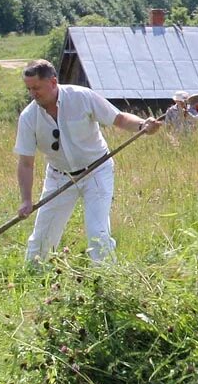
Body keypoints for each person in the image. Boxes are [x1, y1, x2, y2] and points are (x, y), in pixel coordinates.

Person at [14, 59, 162, 264]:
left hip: (96, 171)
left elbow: (118, 118)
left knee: (97, 232)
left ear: (53, 82)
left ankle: (106, 282)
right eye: (29, 89)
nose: (33, 94)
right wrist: (26, 200)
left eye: (37, 88)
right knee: (42, 238)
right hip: (59, 177)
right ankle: (32, 279)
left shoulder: (81, 97)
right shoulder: (29, 117)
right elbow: (25, 163)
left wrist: (142, 125)